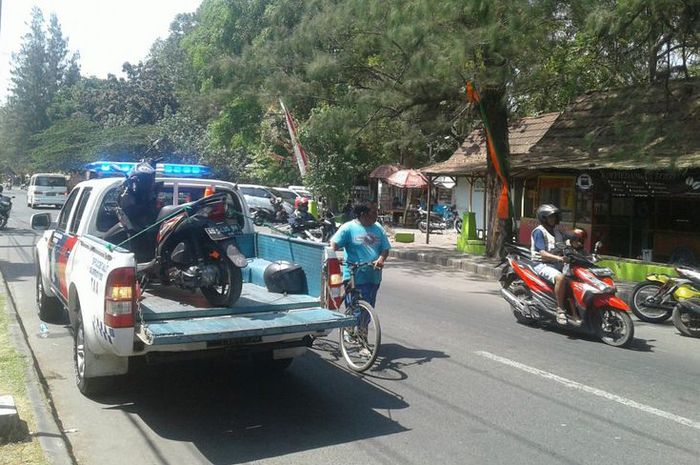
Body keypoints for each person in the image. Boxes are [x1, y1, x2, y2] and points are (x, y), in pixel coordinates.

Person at [330, 200, 391, 310]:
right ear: (363, 214)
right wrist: (333, 257)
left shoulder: (378, 228)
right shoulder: (348, 228)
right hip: (354, 276)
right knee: (355, 309)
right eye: (374, 212)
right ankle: (351, 326)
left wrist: (381, 259)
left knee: (368, 309)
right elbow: (333, 245)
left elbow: (385, 248)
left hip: (373, 276)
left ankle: (363, 327)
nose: (377, 215)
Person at [531, 204, 573, 325]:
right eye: (550, 217)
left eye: (554, 216)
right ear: (543, 218)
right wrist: (559, 258)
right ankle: (560, 309)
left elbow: (566, 243)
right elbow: (543, 253)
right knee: (560, 278)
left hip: (557, 262)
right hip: (541, 264)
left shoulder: (556, 230)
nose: (553, 219)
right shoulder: (539, 232)